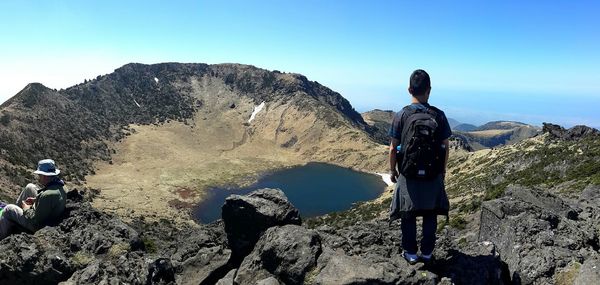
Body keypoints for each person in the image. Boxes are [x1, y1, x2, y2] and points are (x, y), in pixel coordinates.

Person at [388, 69, 451, 264]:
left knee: (408, 212)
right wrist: (442, 170)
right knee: (430, 213)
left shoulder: (401, 115)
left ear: (409, 89)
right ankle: (427, 252)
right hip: (433, 174)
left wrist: (393, 171)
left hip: (408, 174)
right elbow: (445, 147)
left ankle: (410, 252)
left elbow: (392, 148)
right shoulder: (438, 115)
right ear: (429, 90)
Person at [0, 159, 67, 240]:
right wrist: (36, 199)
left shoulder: (47, 196)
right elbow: (51, 200)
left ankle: (2, 237)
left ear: (45, 176)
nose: (39, 178)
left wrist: (26, 209)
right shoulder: (60, 185)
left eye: (40, 175)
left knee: (8, 209)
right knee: (30, 187)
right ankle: (14, 216)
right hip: (48, 210)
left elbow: (35, 220)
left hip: (39, 226)